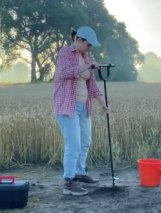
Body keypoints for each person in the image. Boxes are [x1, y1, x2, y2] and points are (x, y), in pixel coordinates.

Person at [53, 26, 110, 196]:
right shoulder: (65, 53)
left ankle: (80, 173)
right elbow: (64, 73)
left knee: (85, 141)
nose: (90, 48)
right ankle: (69, 183)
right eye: (89, 44)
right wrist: (88, 66)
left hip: (83, 106)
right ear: (79, 40)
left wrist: (103, 104)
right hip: (67, 106)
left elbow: (93, 86)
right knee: (74, 144)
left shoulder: (86, 57)